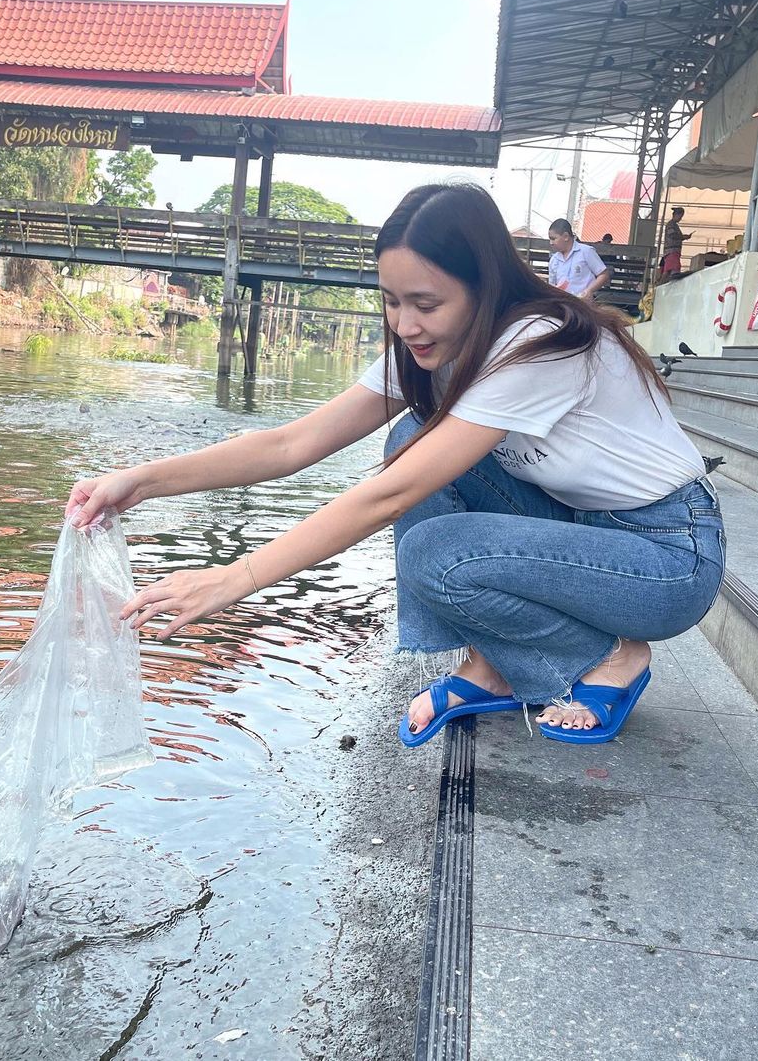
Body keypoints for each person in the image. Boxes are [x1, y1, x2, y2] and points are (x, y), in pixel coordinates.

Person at [65, 184, 724, 746]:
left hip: (666, 558)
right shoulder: (435, 348)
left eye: (426, 304)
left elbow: (392, 496)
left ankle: (612, 656)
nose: (405, 324)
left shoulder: (538, 343)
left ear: (482, 286)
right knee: (412, 429)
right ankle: (491, 663)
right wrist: (141, 482)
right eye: (391, 301)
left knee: (437, 552)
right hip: (580, 532)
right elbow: (294, 444)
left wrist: (233, 579)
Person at [547, 218, 609, 300]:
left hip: (584, 304)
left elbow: (603, 274)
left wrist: (589, 291)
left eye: (553, 239)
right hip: (563, 304)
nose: (551, 243)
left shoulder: (586, 251)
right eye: (550, 239)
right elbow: (552, 285)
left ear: (566, 236)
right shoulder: (554, 260)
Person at [658, 207, 691, 282]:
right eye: (680, 216)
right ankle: (660, 284)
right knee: (671, 269)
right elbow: (673, 235)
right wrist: (683, 237)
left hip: (672, 251)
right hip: (672, 251)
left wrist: (683, 237)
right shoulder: (671, 225)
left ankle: (660, 285)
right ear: (676, 215)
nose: (680, 218)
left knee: (667, 270)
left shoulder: (674, 225)